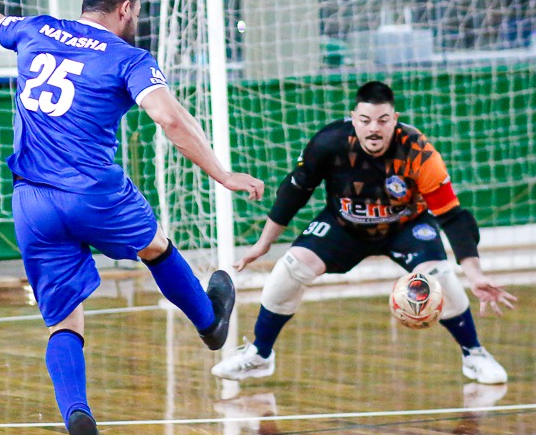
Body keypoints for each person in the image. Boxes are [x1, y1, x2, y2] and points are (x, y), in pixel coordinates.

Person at [0, 0, 264, 435]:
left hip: (31, 199)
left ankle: (78, 413)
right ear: (124, 9)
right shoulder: (129, 59)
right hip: (94, 192)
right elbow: (169, 119)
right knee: (156, 247)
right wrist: (222, 172)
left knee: (64, 323)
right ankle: (210, 323)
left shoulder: (33, 29)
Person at [212, 81, 517, 385]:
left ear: (394, 120)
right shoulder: (330, 142)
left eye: (383, 120)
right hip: (344, 226)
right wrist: (264, 243)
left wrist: (475, 275)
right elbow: (296, 190)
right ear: (353, 118)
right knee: (290, 269)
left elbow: (453, 217)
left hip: (406, 226)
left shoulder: (418, 152)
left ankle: (474, 354)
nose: (374, 128)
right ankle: (259, 355)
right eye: (366, 120)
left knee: (440, 276)